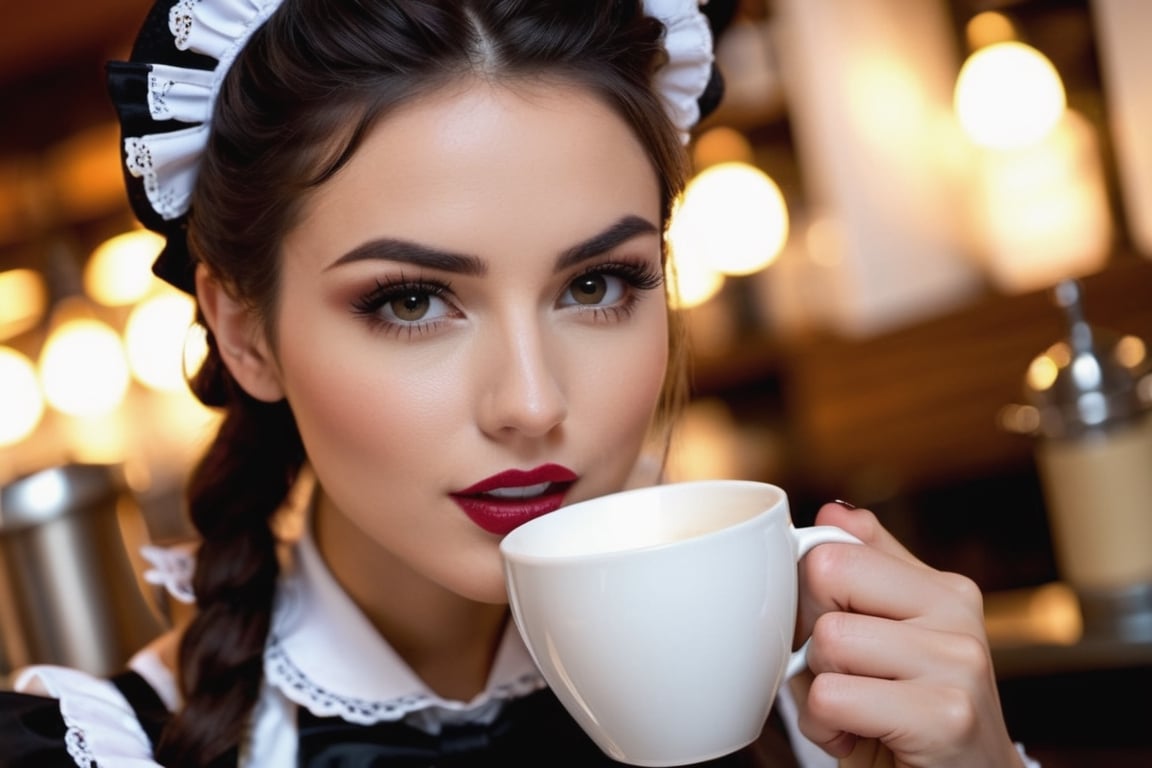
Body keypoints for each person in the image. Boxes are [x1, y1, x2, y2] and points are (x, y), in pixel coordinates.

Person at [0, 0, 1039, 765]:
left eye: (597, 283)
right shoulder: (99, 750)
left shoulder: (828, 706)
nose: (533, 402)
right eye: (411, 301)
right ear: (244, 330)